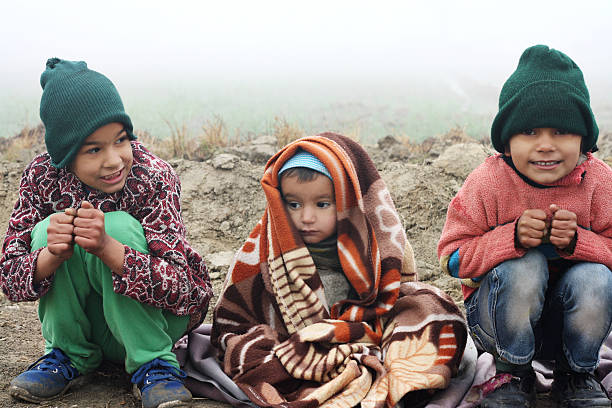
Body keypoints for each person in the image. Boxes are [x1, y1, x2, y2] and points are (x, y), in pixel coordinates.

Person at [0, 58, 213, 408]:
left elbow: (183, 290)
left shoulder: (153, 177)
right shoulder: (41, 179)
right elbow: (10, 280)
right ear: (65, 154)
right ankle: (67, 356)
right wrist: (52, 254)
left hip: (159, 325)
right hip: (94, 332)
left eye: (121, 139)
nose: (114, 160)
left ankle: (154, 365)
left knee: (116, 225)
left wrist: (108, 248)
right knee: (48, 234)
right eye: (94, 149)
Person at [210, 133, 468, 407]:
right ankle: (344, 372)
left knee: (432, 308)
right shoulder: (264, 248)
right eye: (294, 204)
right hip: (297, 341)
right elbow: (233, 321)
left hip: (370, 331)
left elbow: (395, 298)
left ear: (346, 201)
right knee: (249, 353)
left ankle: (406, 383)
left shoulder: (373, 242)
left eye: (322, 204)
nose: (307, 217)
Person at [438, 45, 612, 407]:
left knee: (595, 276)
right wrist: (510, 238)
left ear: (584, 137)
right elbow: (452, 258)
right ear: (507, 139)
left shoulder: (599, 183)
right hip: (498, 323)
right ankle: (510, 374)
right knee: (525, 265)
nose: (545, 146)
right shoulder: (489, 183)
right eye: (530, 131)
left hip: (567, 330)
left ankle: (576, 375)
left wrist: (580, 242)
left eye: (562, 132)